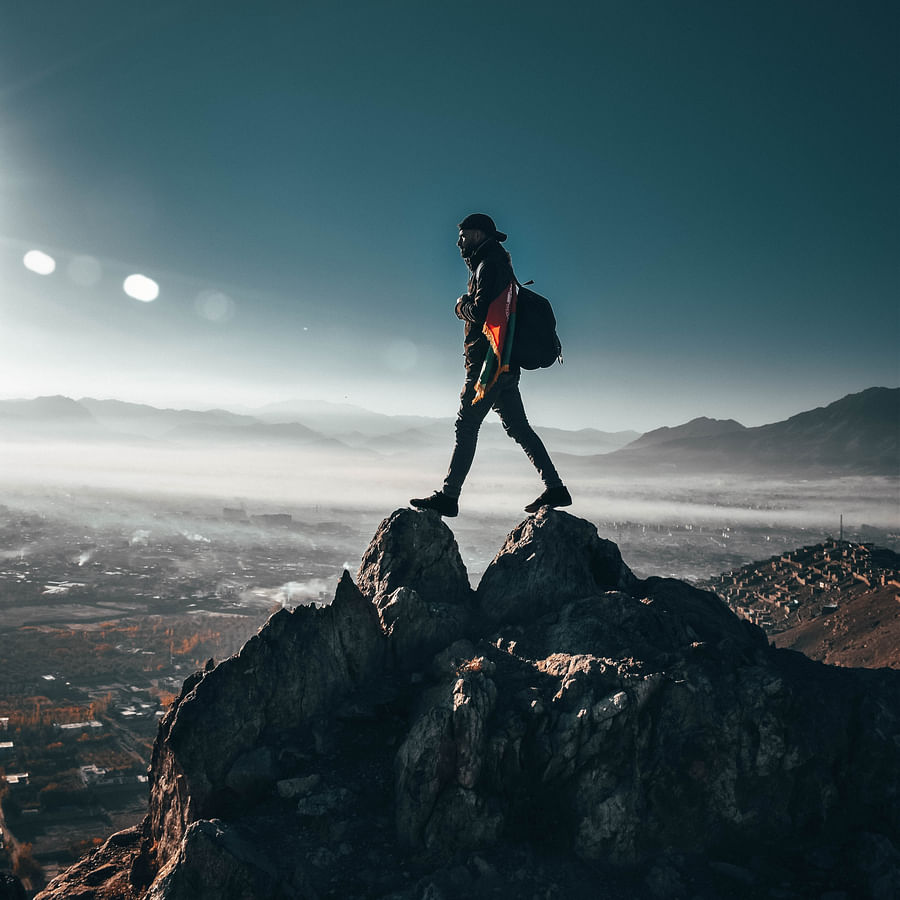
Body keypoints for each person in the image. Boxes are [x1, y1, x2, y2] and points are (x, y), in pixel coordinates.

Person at [410, 213, 572, 518]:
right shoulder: (498, 264)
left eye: (462, 236)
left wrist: (461, 306)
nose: (458, 242)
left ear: (477, 235)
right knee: (519, 428)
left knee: (466, 425)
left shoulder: (489, 265)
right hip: (504, 363)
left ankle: (449, 496)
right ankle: (556, 488)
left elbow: (481, 311)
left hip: (488, 365)